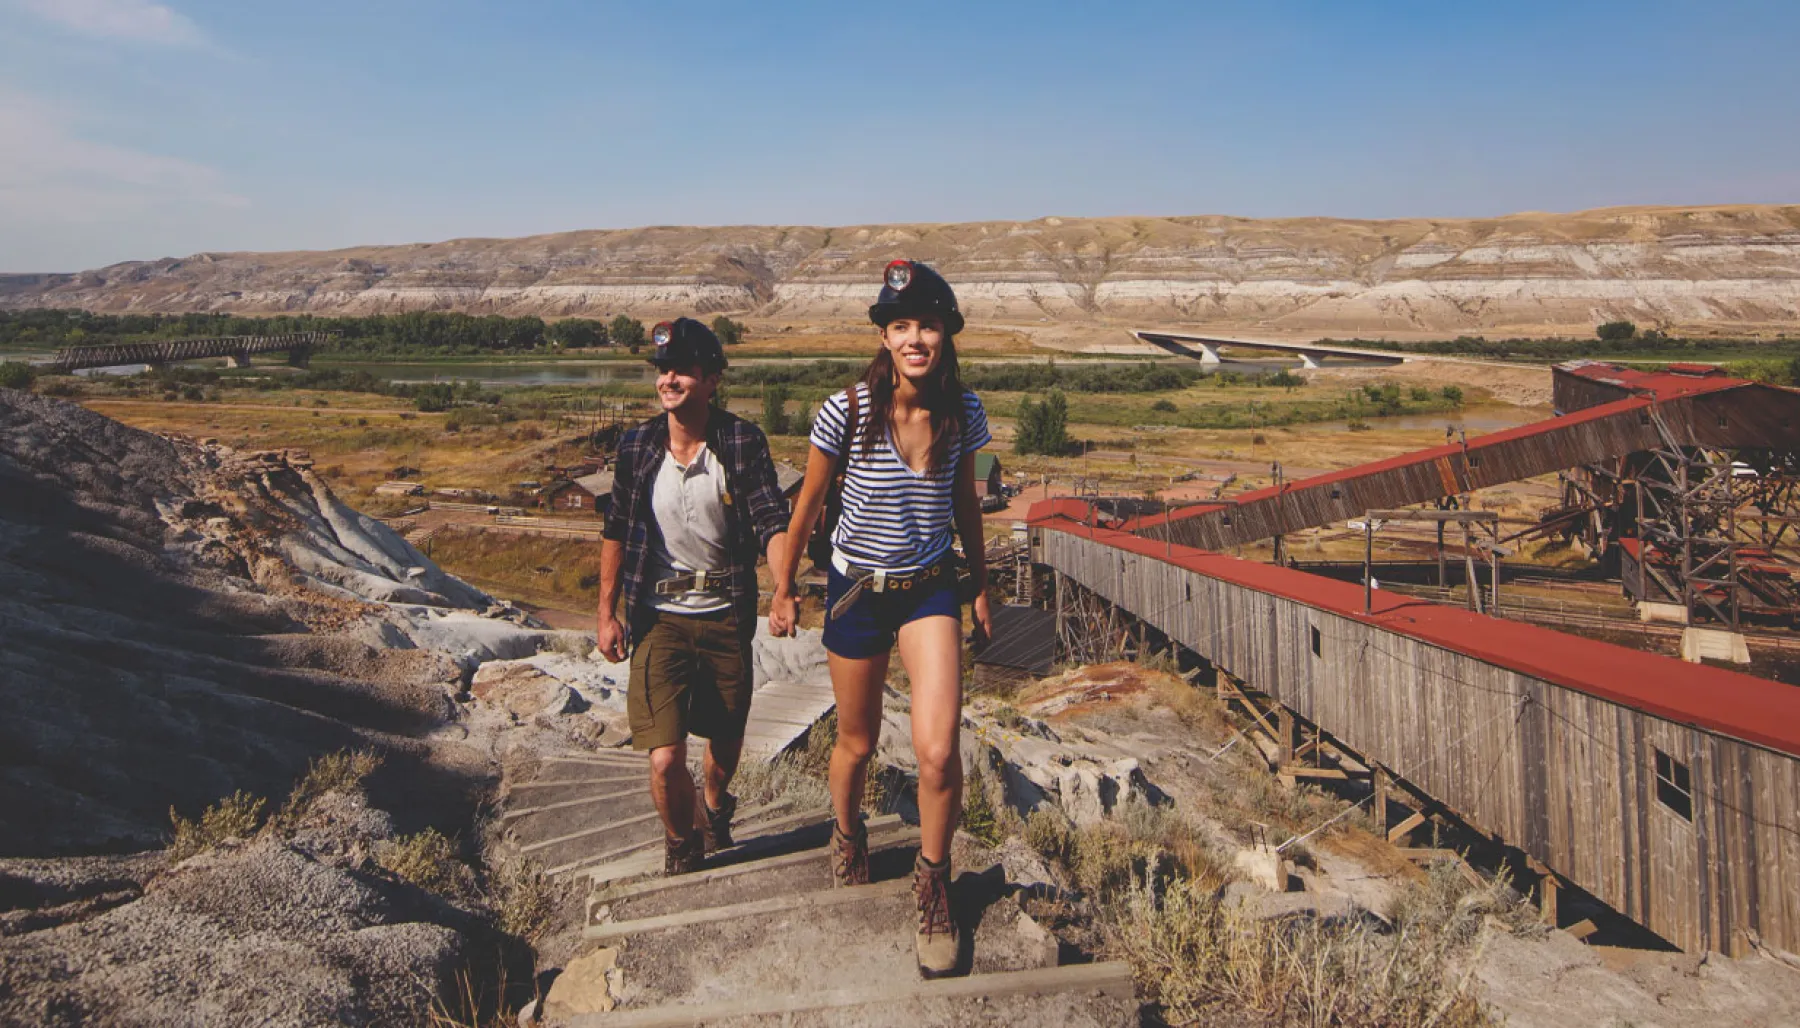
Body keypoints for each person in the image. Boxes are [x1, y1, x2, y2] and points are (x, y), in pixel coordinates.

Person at [769, 260, 992, 979]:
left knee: (935, 749)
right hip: (857, 590)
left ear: (946, 333)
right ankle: (846, 834)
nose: (916, 337)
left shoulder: (964, 409)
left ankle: (933, 882)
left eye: (927, 324)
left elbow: (965, 504)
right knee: (857, 743)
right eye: (901, 326)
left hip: (929, 589)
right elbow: (807, 504)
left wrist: (980, 584)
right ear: (885, 336)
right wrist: (783, 585)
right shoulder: (849, 410)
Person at [596, 317, 791, 875]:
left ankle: (714, 803)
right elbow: (615, 529)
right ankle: (683, 844)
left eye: (682, 370)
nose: (669, 380)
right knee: (662, 758)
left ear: (711, 380)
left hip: (726, 616)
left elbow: (771, 521)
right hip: (658, 618)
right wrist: (606, 612)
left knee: (723, 747)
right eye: (663, 370)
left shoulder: (740, 442)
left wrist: (782, 588)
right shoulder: (636, 445)